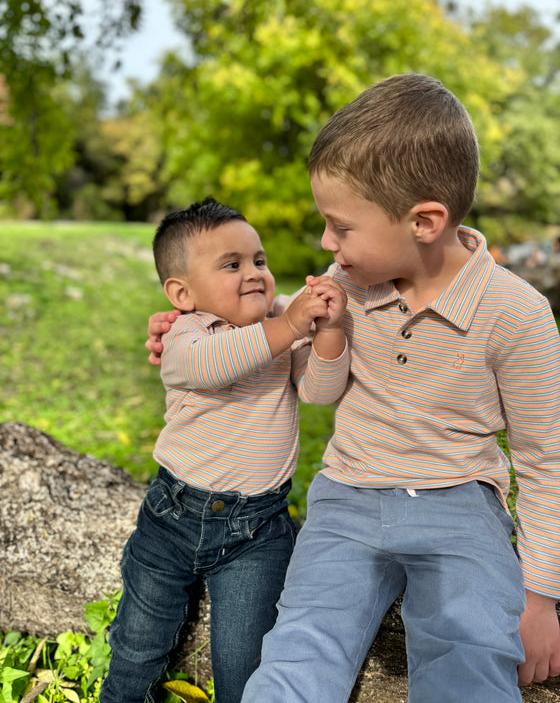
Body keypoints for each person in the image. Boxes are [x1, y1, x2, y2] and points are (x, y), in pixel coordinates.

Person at [146, 75, 560, 702]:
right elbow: (285, 318)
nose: (325, 245)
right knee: (300, 648)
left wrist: (539, 596)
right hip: (347, 501)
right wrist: (197, 326)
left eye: (340, 227)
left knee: (468, 655)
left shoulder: (517, 314)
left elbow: (544, 458)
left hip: (460, 508)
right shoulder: (350, 282)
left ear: (424, 221)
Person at [101, 197, 349, 703]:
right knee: (136, 647)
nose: (254, 273)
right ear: (182, 293)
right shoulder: (187, 336)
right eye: (231, 265)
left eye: (259, 260)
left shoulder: (280, 326)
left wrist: (328, 334)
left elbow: (321, 391)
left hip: (256, 532)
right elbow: (213, 366)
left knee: (243, 664)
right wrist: (289, 326)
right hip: (171, 517)